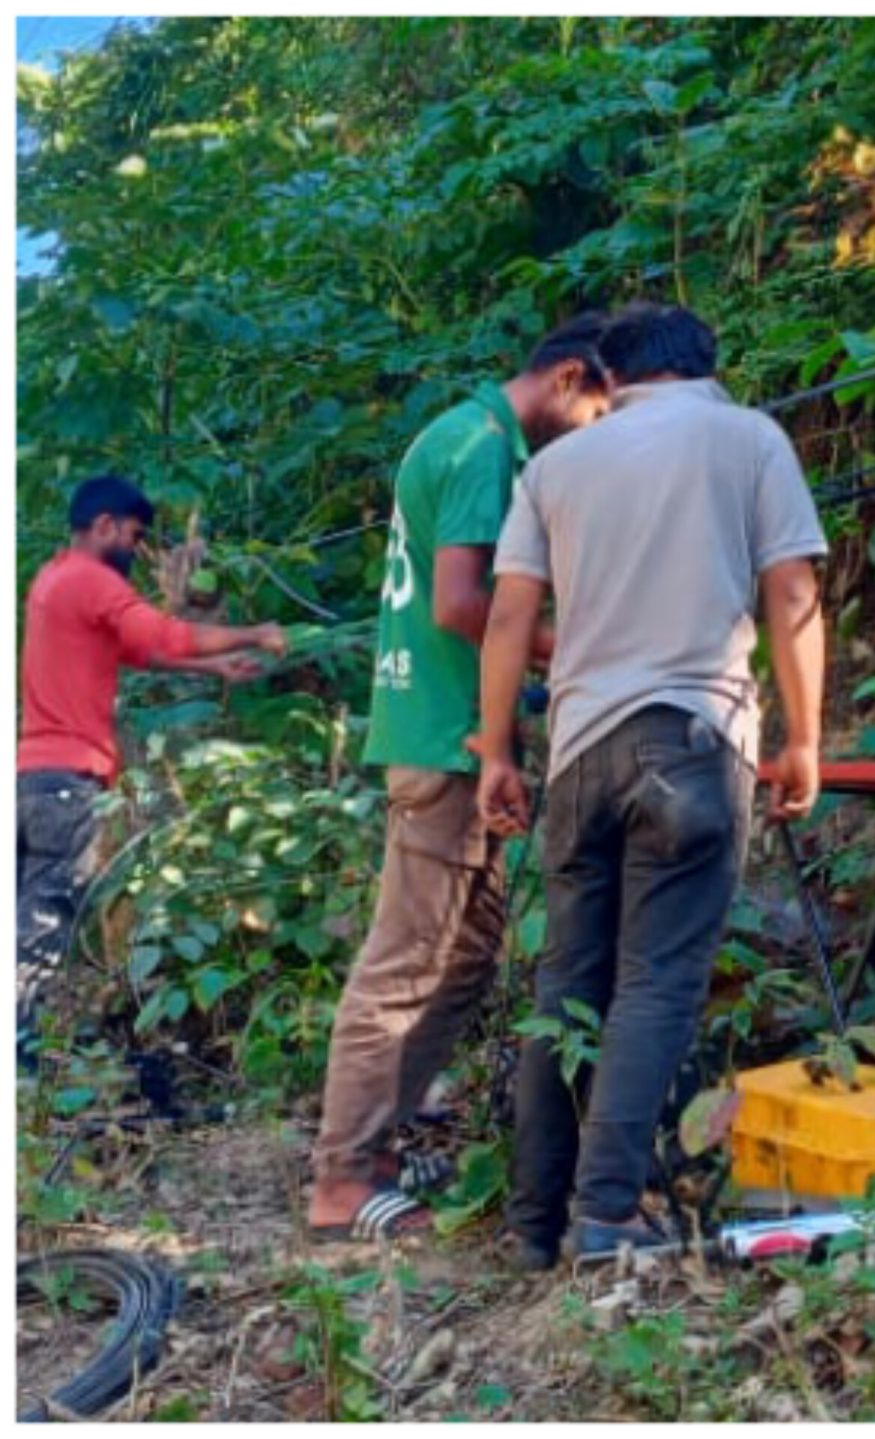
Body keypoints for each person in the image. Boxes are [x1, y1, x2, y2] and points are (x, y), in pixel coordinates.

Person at [475, 301, 826, 1268]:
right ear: (706, 363)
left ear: (611, 376)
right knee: (657, 982)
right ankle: (608, 1211)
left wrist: (499, 751)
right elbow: (791, 593)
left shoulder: (554, 467)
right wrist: (805, 738)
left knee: (568, 984)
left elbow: (509, 618)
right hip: (693, 735)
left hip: (580, 748)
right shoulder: (750, 437)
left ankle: (534, 1221)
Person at [305, 315, 614, 1243]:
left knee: (467, 953)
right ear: (568, 377)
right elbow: (461, 605)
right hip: (444, 741)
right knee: (405, 964)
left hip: (454, 735)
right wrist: (576, 649)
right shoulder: (484, 449)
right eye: (603, 406)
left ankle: (377, 1144)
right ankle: (340, 1179)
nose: (604, 430)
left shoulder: (461, 434)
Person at [18, 475, 287, 1051]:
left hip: (33, 778)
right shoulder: (91, 580)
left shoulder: (56, 578)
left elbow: (137, 650)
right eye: (133, 536)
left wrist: (213, 669)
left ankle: (30, 1055)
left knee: (30, 914)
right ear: (105, 526)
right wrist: (256, 633)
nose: (135, 553)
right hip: (68, 783)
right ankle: (20, 1057)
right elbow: (160, 631)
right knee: (44, 927)